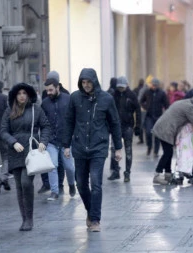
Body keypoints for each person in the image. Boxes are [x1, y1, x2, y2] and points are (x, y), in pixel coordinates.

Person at [62, 68, 122, 232]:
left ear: (94, 81)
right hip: (80, 147)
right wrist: (66, 145)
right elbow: (68, 121)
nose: (86, 85)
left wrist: (118, 148)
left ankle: (95, 220)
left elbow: (115, 123)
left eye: (89, 82)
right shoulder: (75, 98)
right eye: (83, 82)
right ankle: (91, 210)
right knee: (80, 184)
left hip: (98, 147)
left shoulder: (106, 99)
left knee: (96, 183)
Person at [0, 83, 51, 231]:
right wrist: (13, 142)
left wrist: (43, 142)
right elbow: (3, 131)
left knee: (26, 183)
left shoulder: (36, 109)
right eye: (19, 93)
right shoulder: (9, 111)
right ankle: (25, 220)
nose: (22, 96)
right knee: (19, 186)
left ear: (28, 95)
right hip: (15, 152)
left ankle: (29, 218)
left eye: (24, 93)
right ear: (15, 96)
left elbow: (46, 126)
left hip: (31, 151)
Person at [152, 95, 193, 185]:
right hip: (166, 130)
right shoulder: (189, 108)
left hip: (163, 127)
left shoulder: (184, 102)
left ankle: (168, 174)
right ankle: (157, 174)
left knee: (169, 152)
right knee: (167, 153)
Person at [41, 78, 76, 200]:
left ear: (57, 87)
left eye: (51, 90)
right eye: (47, 90)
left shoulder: (68, 99)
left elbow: (73, 119)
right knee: (53, 166)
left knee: (69, 167)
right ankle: (54, 192)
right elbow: (42, 122)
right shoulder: (44, 103)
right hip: (51, 141)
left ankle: (71, 185)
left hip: (66, 141)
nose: (49, 92)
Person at [107, 76, 141, 182]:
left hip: (128, 126)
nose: (120, 89)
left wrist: (138, 126)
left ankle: (127, 173)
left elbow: (138, 110)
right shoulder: (114, 95)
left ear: (127, 85)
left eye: (122, 87)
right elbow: (109, 111)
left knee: (128, 150)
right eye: (119, 87)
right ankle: (116, 171)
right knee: (114, 150)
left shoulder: (132, 95)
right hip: (116, 127)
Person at [140, 78, 169, 157]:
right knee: (148, 132)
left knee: (157, 134)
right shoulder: (147, 92)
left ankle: (156, 151)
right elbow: (141, 101)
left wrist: (165, 111)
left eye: (155, 85)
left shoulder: (162, 93)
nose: (154, 86)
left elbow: (166, 103)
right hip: (149, 116)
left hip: (158, 116)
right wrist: (145, 106)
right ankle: (149, 146)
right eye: (153, 85)